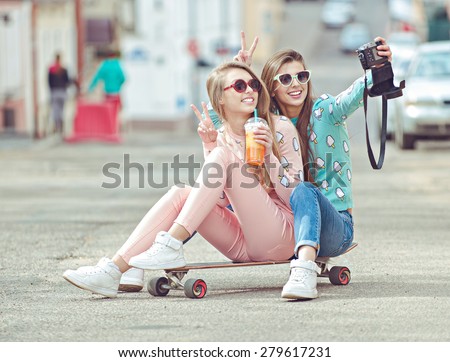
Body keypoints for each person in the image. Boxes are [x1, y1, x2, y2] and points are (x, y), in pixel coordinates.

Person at [62, 61, 303, 298]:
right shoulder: (222, 137)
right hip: (243, 243)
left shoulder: (278, 127)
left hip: (281, 237)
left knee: (222, 156)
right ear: (220, 98)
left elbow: (296, 196)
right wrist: (209, 145)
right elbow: (217, 202)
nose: (250, 90)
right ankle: (112, 271)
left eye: (253, 84)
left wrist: (270, 155)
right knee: (182, 192)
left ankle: (171, 244)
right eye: (239, 86)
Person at [257, 38, 393, 300]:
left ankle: (305, 271)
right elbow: (226, 116)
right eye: (285, 79)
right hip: (288, 222)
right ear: (271, 88)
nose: (296, 84)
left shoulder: (326, 111)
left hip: (336, 227)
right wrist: (239, 70)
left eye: (301, 76)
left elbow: (355, 94)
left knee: (305, 190)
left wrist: (380, 67)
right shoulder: (267, 124)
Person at [48, 53, 71, 133]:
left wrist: (51, 91)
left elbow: (49, 82)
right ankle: (60, 124)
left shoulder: (51, 69)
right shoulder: (63, 69)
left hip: (54, 92)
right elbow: (67, 82)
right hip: (62, 92)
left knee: (55, 109)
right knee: (61, 109)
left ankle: (57, 124)